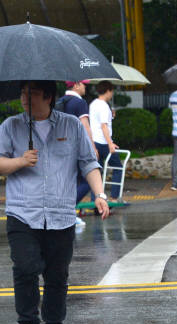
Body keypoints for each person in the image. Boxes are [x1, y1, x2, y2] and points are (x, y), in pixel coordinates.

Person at [0, 81, 110, 324]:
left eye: (30, 93)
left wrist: (100, 194)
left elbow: (88, 163)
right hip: (23, 212)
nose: (24, 98)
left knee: (57, 276)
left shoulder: (71, 125)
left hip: (61, 214)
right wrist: (20, 161)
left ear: (47, 96)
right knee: (25, 269)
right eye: (21, 92)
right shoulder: (11, 126)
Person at [61, 79, 99, 226]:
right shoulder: (79, 102)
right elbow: (85, 126)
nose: (85, 87)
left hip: (61, 148)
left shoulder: (61, 101)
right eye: (83, 84)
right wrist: (92, 147)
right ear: (76, 85)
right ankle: (68, 210)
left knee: (68, 182)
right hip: (77, 148)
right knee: (87, 181)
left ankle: (67, 212)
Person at [89, 81, 122, 200]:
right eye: (112, 91)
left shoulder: (93, 104)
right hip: (103, 142)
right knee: (118, 167)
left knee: (97, 172)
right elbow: (104, 126)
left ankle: (95, 200)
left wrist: (111, 115)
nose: (112, 94)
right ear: (108, 91)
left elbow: (97, 121)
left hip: (94, 141)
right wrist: (110, 144)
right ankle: (114, 197)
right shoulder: (103, 106)